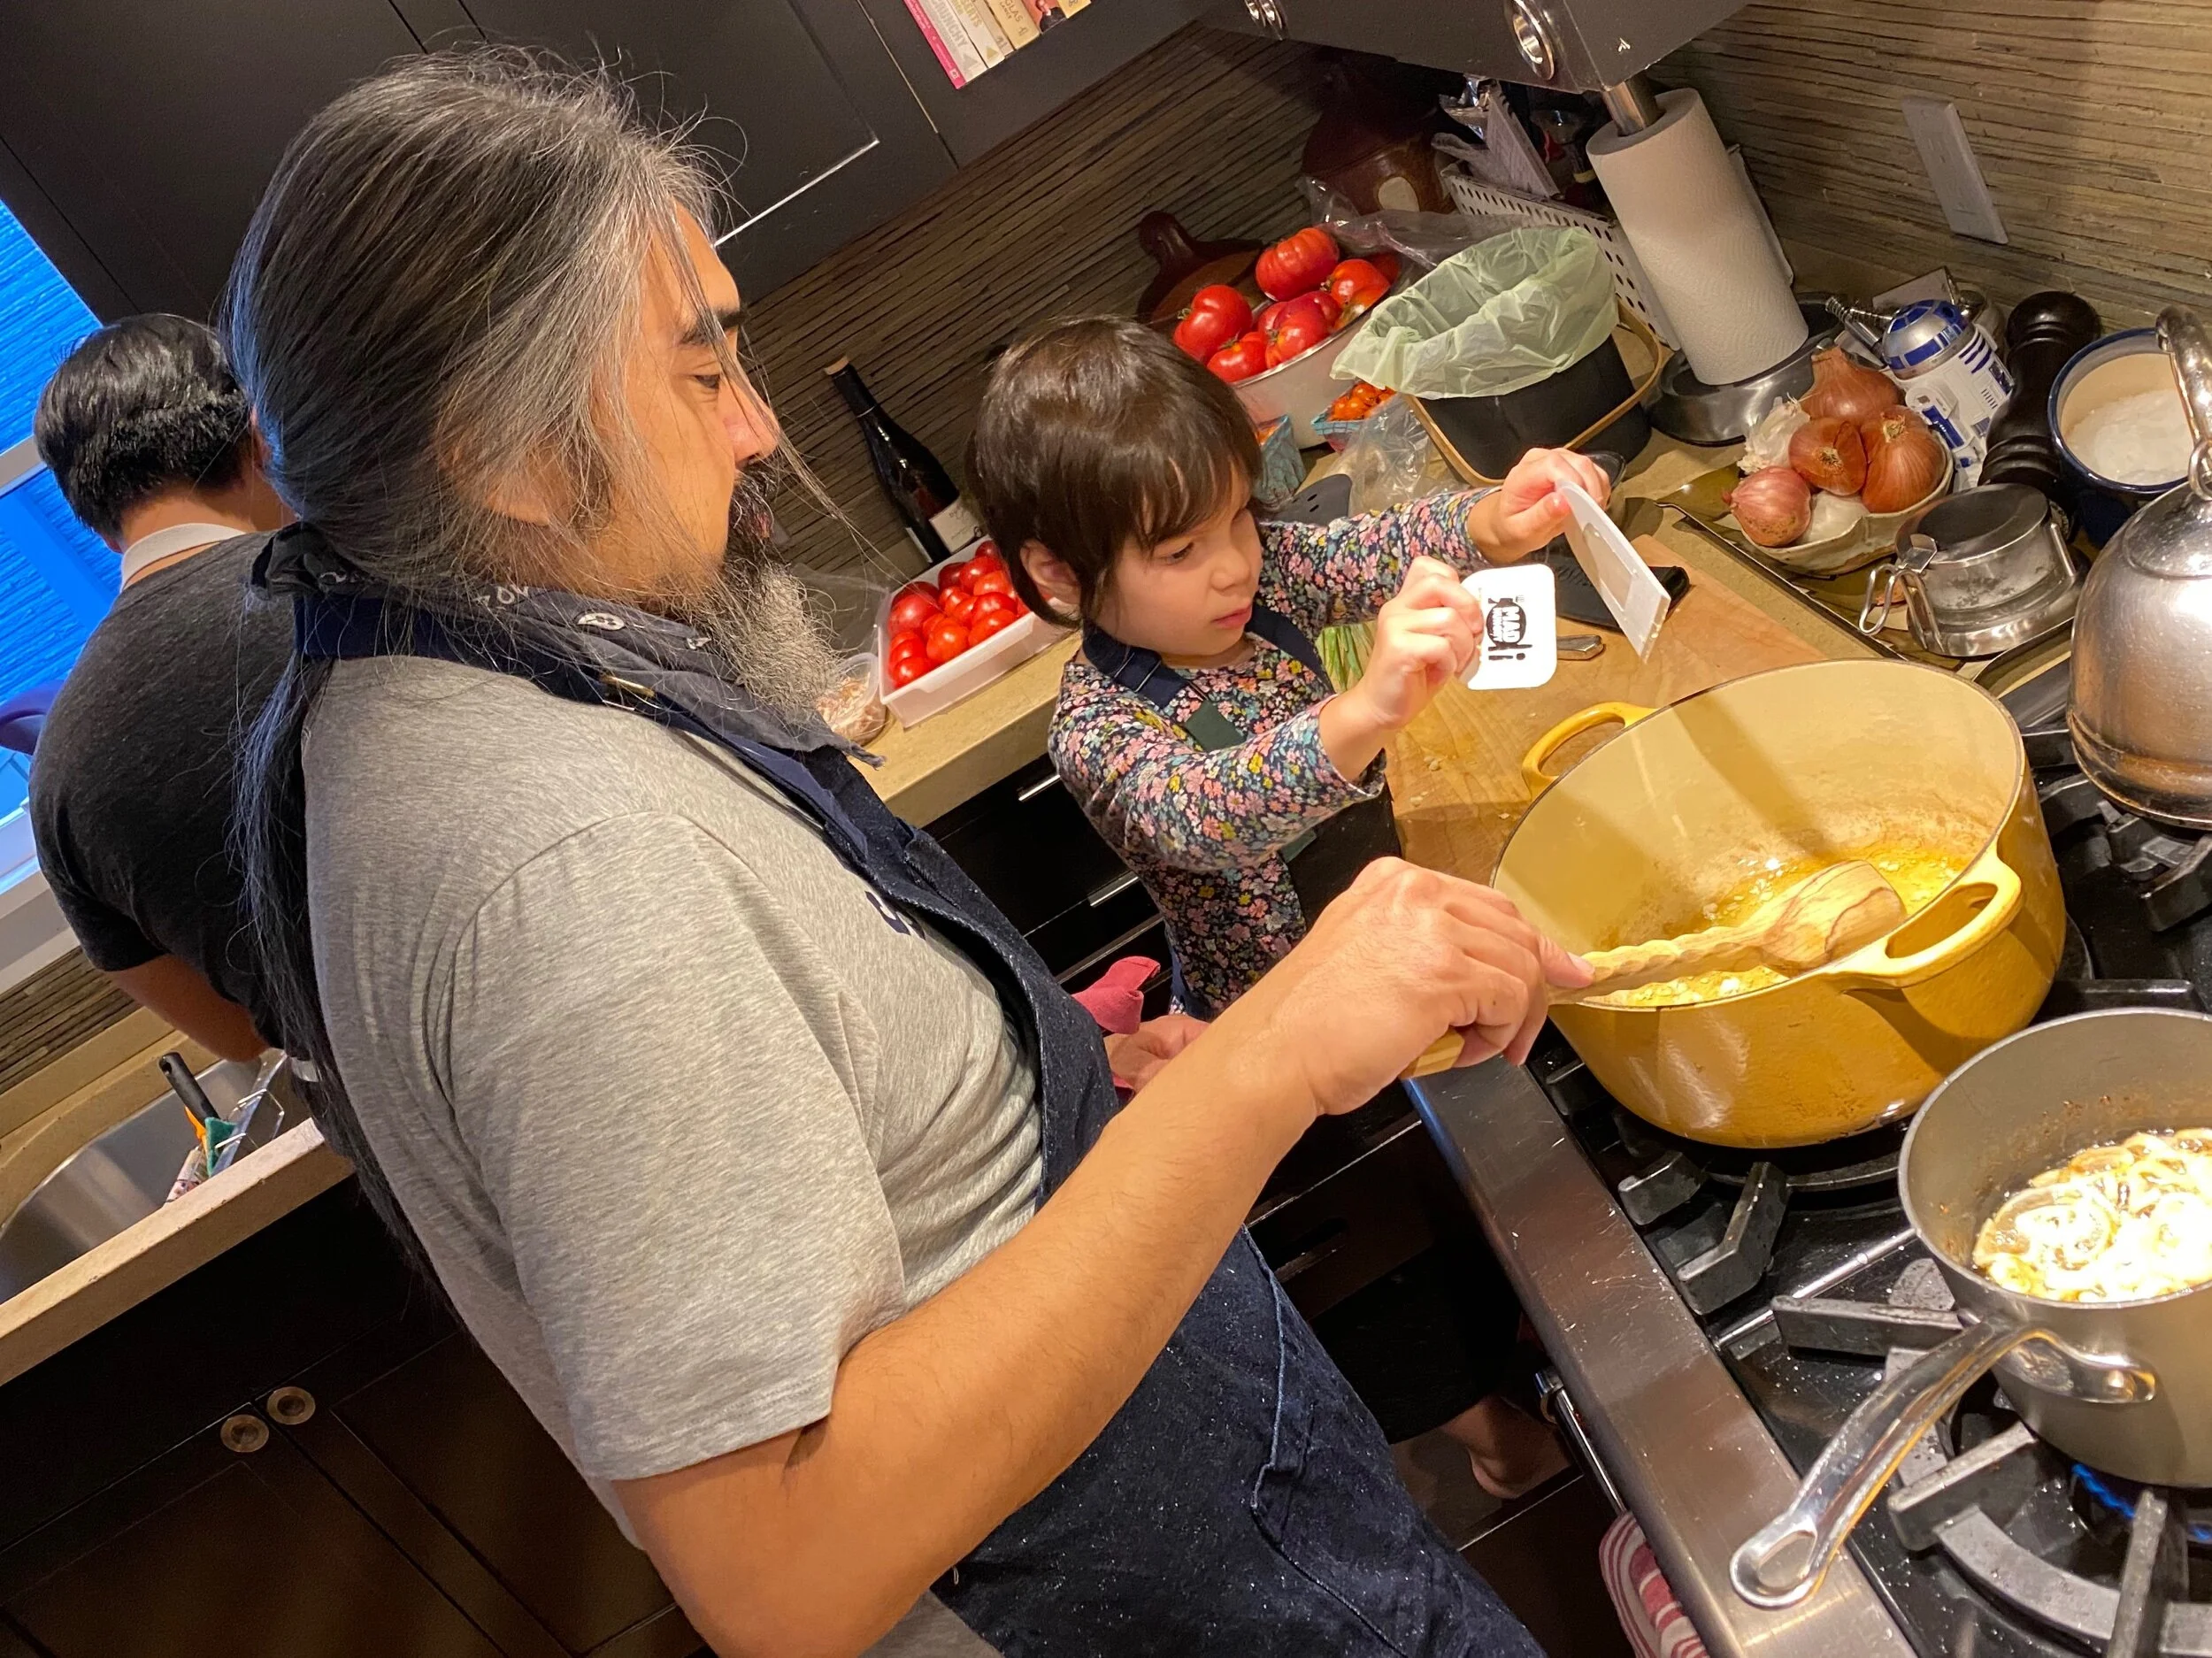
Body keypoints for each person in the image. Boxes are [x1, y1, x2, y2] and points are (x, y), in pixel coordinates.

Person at [223, 50, 1587, 1658]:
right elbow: (790, 1564)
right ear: (496, 451)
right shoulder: (563, 860)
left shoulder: (448, 692)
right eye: (697, 369)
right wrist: (1272, 1047)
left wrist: (1014, 1082)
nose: (753, 432)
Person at [967, 318, 1603, 1498]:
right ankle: (1481, 1431)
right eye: (1177, 549)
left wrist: (1490, 522)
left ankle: (1530, 1330)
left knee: (1479, 1174)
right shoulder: (1097, 728)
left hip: (1392, 941)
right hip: (1278, 1031)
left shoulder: (1258, 586)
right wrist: (1363, 708)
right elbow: (1212, 814)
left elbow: (1364, 549)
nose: (1232, 568)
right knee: (1385, 1249)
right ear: (1059, 574)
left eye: (1238, 522)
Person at [29, 314, 293, 1061]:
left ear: (93, 517)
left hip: (395, 1137)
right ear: (255, 434)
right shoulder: (360, 580)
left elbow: (233, 1037)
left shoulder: (60, 779)